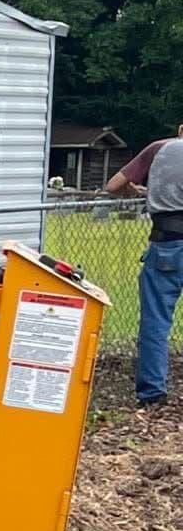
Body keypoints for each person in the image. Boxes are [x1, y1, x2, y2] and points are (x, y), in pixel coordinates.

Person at [108, 122, 183, 407]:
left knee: (155, 323)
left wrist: (137, 191)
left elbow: (113, 186)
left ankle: (153, 393)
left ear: (180, 130)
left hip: (167, 244)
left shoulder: (159, 148)